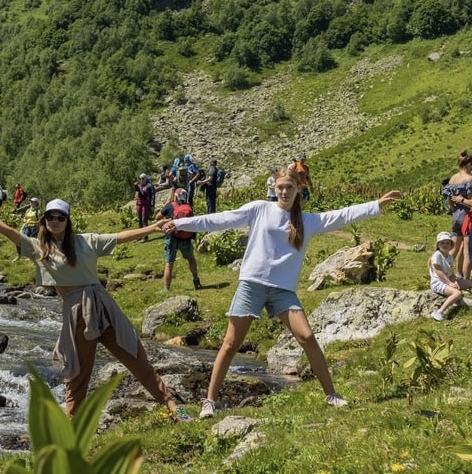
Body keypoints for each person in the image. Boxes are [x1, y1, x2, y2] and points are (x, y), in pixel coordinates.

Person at [161, 167, 401, 416]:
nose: (284, 192)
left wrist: (376, 205)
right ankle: (209, 402)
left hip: (283, 290)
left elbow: (342, 215)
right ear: (274, 190)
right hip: (252, 283)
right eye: (280, 188)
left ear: (299, 189)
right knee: (231, 343)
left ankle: (331, 394)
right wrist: (179, 223)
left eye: (289, 187)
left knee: (307, 337)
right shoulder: (259, 210)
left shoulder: (308, 221)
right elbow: (220, 219)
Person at [0, 193, 191, 421]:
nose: (55, 221)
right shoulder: (39, 248)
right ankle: (72, 430)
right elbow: (9, 232)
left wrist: (153, 227)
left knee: (136, 357)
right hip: (77, 314)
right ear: (44, 220)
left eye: (60, 217)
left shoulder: (86, 241)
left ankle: (173, 407)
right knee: (77, 376)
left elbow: (120, 236)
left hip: (104, 307)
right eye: (50, 217)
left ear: (68, 220)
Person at [156, 188, 202, 292]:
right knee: (191, 258)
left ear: (175, 196)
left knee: (169, 264)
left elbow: (157, 217)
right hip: (186, 239)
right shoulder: (189, 207)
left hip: (172, 238)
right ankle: (196, 280)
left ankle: (166, 288)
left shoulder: (171, 206)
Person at [441, 151, 472, 276]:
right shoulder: (470, 179)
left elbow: (449, 201)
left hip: (456, 216)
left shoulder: (453, 179)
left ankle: (443, 272)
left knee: (453, 249)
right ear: (468, 164)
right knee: (467, 252)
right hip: (468, 217)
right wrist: (463, 201)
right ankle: (466, 280)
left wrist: (455, 209)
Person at [429, 231, 472, 321]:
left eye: (447, 243)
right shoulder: (437, 255)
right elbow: (439, 271)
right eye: (442, 243)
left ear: (451, 245)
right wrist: (449, 283)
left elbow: (451, 273)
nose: (445, 245)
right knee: (457, 293)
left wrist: (454, 281)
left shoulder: (450, 257)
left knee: (469, 283)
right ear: (438, 244)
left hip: (448, 280)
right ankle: (439, 312)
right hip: (438, 282)